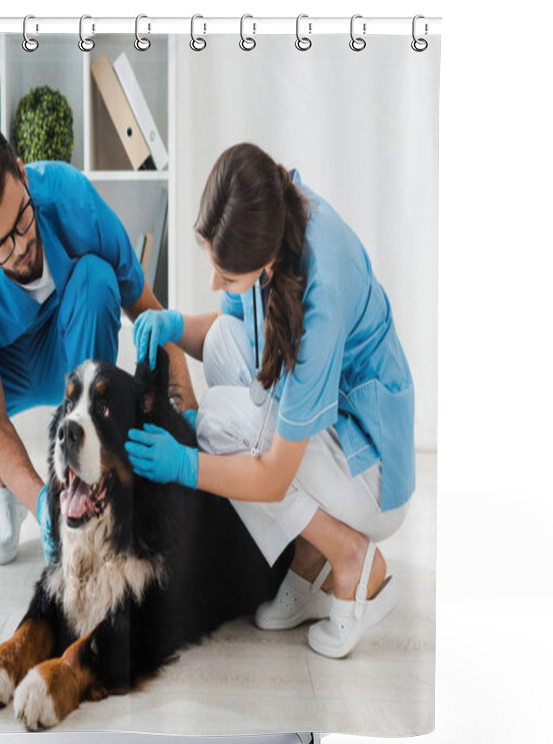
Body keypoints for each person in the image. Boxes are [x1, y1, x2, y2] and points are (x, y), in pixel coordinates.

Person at [125, 143, 415, 659]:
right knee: (217, 346)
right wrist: (172, 323)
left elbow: (276, 475)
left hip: (372, 471)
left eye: (226, 276)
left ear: (264, 263)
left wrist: (185, 465)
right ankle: (308, 553)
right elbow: (232, 328)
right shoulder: (270, 217)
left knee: (218, 422)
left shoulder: (321, 289)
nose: (215, 283)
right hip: (332, 434)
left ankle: (351, 558)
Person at [0, 123, 196, 566]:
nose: (21, 245)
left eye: (23, 218)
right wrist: (43, 501)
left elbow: (152, 315)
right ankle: (9, 489)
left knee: (98, 280)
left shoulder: (69, 196)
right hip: (4, 371)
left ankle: (86, 475)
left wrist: (190, 429)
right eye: (2, 244)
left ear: (22, 174)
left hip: (71, 350)